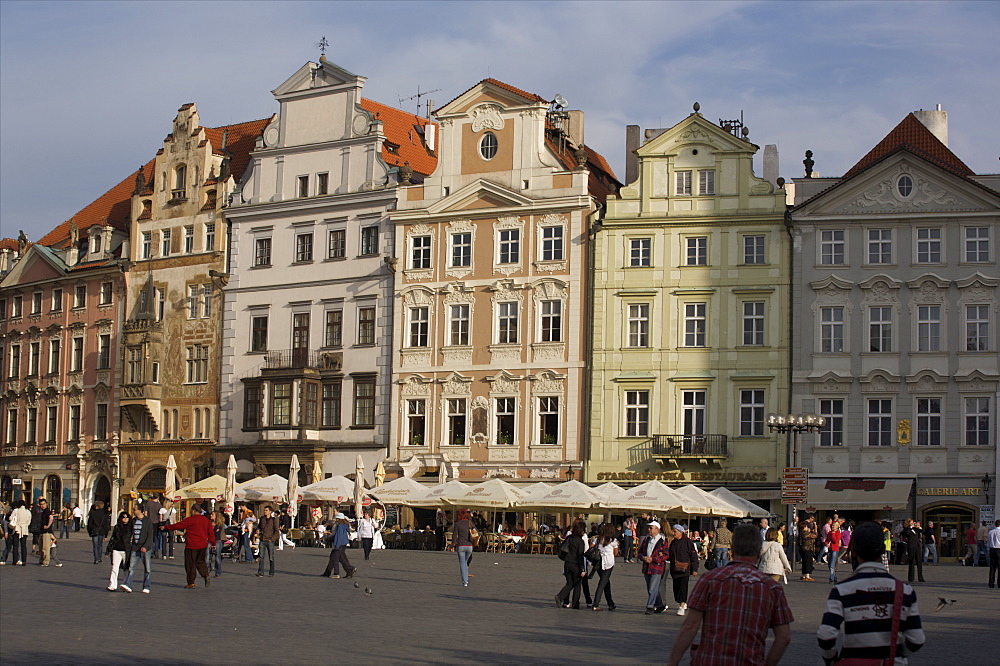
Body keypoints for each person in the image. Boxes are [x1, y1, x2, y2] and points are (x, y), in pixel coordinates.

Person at [667, 524, 793, 666]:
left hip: (710, 659)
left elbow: (690, 625)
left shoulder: (710, 579)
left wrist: (673, 661)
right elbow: (784, 636)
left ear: (732, 549)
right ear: (758, 552)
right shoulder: (772, 588)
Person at [818, 521, 925, 664]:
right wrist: (900, 654)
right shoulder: (905, 591)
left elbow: (826, 635)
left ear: (853, 551)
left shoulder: (842, 590)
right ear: (882, 550)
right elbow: (917, 639)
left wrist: (830, 657)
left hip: (853, 660)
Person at [162, 502, 216, 589]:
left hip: (192, 545)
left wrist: (166, 527)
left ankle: (191, 582)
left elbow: (178, 525)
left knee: (190, 564)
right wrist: (213, 543)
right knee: (200, 561)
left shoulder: (191, 519)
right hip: (203, 545)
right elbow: (211, 533)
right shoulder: (206, 520)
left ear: (194, 511)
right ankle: (205, 574)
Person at [121, 504, 155, 593]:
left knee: (147, 568)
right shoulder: (133, 521)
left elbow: (150, 536)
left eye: (134, 509)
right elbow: (129, 532)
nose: (133, 511)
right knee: (131, 567)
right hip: (135, 546)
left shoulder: (147, 521)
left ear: (140, 511)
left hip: (145, 547)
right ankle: (128, 585)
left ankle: (146, 586)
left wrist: (146, 546)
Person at [638, 520, 670, 614]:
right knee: (650, 587)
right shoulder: (647, 539)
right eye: (649, 528)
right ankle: (660, 604)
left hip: (657, 567)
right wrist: (643, 557)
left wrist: (654, 559)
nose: (649, 530)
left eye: (651, 528)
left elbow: (666, 555)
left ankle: (650, 606)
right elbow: (639, 552)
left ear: (657, 529)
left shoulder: (663, 540)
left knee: (652, 588)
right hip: (646, 566)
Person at [555, 519, 588, 609]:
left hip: (567, 563)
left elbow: (563, 548)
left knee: (569, 583)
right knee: (577, 584)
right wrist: (582, 569)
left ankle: (560, 597)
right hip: (576, 565)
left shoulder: (569, 538)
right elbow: (580, 556)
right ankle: (575, 603)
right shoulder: (580, 542)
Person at [668, 524, 699, 616]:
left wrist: (694, 569)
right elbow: (670, 555)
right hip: (674, 569)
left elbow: (693, 556)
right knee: (676, 589)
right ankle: (681, 601)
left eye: (675, 532)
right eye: (673, 531)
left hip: (685, 568)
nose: (673, 533)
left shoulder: (688, 542)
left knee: (683, 588)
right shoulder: (673, 542)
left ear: (680, 532)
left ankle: (682, 605)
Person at [590, 523, 618, 611]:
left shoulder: (597, 539)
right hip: (608, 563)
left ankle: (611, 603)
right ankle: (595, 603)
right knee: (602, 583)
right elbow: (616, 553)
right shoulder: (613, 541)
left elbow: (591, 548)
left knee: (606, 582)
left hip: (598, 563)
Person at [321, 512, 356, 579]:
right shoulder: (344, 525)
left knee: (335, 558)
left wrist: (337, 545)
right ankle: (348, 571)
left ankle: (338, 573)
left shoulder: (339, 526)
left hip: (339, 544)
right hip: (343, 544)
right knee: (338, 558)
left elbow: (338, 536)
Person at [106, 511, 132, 591]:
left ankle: (125, 584)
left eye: (126, 517)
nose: (125, 519)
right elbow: (113, 538)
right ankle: (112, 585)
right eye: (123, 517)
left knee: (126, 568)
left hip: (126, 549)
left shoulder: (131, 527)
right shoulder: (117, 527)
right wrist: (108, 550)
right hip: (116, 549)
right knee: (114, 567)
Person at [452, 508, 476, 587]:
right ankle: (466, 579)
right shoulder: (470, 523)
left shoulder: (457, 524)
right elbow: (475, 533)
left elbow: (454, 536)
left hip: (461, 545)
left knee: (462, 563)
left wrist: (452, 545)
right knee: (465, 562)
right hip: (469, 546)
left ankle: (465, 581)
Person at [255, 504, 280, 578]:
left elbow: (276, 530)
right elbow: (259, 527)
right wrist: (257, 530)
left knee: (271, 557)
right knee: (261, 556)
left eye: (266, 510)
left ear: (270, 512)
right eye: (264, 510)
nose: (265, 512)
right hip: (262, 539)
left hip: (270, 540)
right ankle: (260, 572)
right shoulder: (262, 518)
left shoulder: (274, 519)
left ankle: (271, 572)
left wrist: (272, 539)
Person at [8, 500, 32, 565]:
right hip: (24, 529)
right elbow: (29, 522)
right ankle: (24, 561)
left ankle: (15, 560)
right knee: (23, 546)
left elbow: (10, 518)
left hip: (17, 529)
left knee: (15, 545)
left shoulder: (16, 510)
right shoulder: (28, 512)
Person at [902, 519, 925, 583]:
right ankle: (911, 577)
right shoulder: (906, 529)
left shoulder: (916, 529)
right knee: (911, 561)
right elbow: (907, 533)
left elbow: (923, 532)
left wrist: (919, 527)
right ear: (909, 523)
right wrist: (911, 527)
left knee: (919, 561)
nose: (913, 523)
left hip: (917, 546)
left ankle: (920, 577)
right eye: (912, 522)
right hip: (911, 546)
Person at [33, 498, 54, 566]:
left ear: (46, 504)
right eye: (41, 504)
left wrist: (48, 526)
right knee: (41, 547)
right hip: (42, 531)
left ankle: (46, 561)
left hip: (46, 532)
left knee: (45, 547)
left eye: (43, 504)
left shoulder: (47, 511)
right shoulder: (43, 511)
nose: (42, 505)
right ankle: (41, 560)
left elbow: (51, 518)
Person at [210, 512, 226, 577]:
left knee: (217, 557)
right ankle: (208, 568)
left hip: (218, 540)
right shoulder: (209, 523)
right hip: (210, 540)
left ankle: (218, 572)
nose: (210, 515)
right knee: (208, 556)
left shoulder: (220, 524)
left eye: (212, 514)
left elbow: (217, 533)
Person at [987, 519, 1000, 589]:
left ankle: (991, 583)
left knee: (992, 567)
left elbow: (988, 542)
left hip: (992, 549)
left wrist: (988, 550)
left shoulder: (991, 532)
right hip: (999, 549)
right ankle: (999, 583)